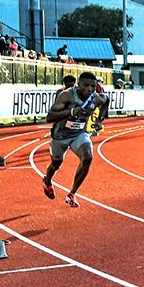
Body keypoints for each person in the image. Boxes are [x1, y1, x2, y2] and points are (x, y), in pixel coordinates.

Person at [43, 71, 110, 208]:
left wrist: (99, 119)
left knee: (88, 157)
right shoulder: (67, 95)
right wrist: (71, 112)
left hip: (78, 134)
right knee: (56, 163)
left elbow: (106, 100)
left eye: (93, 86)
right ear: (78, 85)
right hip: (60, 135)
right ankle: (47, 181)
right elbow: (49, 117)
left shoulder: (96, 98)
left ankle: (72, 194)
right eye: (86, 85)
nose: (90, 89)